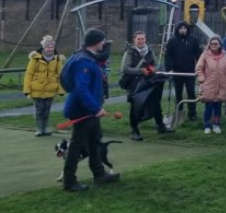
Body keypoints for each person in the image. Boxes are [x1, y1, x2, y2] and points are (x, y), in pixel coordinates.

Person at [61, 29, 120, 191]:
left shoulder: (85, 57)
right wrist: (94, 108)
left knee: (95, 140)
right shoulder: (84, 62)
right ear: (95, 42)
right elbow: (81, 88)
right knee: (77, 145)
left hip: (89, 108)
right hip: (83, 110)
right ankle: (69, 181)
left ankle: (99, 174)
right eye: (102, 40)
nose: (104, 43)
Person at [121, 31, 168, 140]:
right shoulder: (130, 52)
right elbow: (125, 69)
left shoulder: (150, 51)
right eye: (139, 39)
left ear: (145, 39)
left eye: (142, 39)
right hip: (135, 83)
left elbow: (156, 65)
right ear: (134, 40)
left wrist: (152, 69)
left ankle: (160, 126)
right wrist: (142, 71)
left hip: (149, 82)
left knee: (156, 103)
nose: (141, 41)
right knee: (135, 106)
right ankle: (134, 130)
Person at [23, 35, 65, 136]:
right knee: (39, 110)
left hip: (50, 89)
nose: (50, 49)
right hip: (37, 89)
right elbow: (29, 74)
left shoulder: (57, 59)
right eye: (48, 47)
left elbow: (60, 75)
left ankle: (45, 128)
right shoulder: (35, 58)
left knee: (47, 110)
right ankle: (39, 128)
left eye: (51, 47)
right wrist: (27, 89)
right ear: (44, 47)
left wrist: (61, 90)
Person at [165, 21, 202, 121]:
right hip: (177, 72)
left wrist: (200, 68)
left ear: (187, 29)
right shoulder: (172, 41)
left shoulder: (193, 40)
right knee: (178, 93)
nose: (183, 30)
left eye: (184, 28)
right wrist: (169, 69)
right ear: (177, 29)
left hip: (190, 72)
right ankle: (179, 112)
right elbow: (168, 57)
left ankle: (192, 113)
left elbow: (199, 56)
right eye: (181, 28)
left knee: (191, 92)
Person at [195, 35, 226, 134]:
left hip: (221, 85)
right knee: (208, 106)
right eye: (211, 44)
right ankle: (207, 125)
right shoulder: (205, 54)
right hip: (209, 84)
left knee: (218, 107)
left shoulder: (225, 55)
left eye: (216, 44)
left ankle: (216, 125)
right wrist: (202, 79)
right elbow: (199, 68)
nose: (213, 45)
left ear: (220, 44)